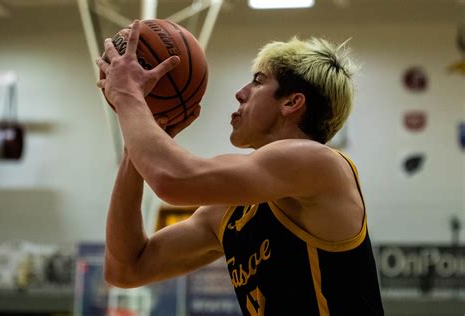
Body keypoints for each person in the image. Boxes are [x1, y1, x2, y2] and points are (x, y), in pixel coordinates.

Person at [96, 20, 384, 315]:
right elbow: (126, 268)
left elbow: (172, 179)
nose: (240, 92)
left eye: (258, 81)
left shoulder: (318, 164)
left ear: (292, 102)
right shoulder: (227, 212)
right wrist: (136, 148)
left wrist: (128, 95)